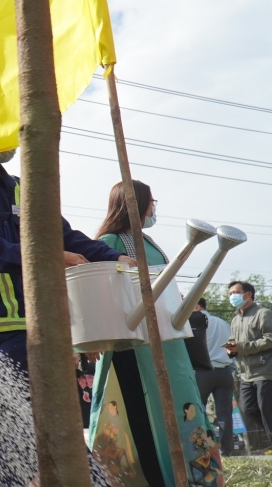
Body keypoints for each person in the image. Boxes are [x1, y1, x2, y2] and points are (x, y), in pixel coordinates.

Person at [88, 179, 222, 486]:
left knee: (180, 411)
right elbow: (99, 294)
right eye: (151, 200)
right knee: (144, 417)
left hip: (168, 344)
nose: (154, 206)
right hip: (133, 348)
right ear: (134, 204)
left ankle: (189, 478)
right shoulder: (110, 242)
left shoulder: (148, 242)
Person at [0, 152, 134, 374]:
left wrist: (115, 256)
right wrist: (52, 259)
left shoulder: (19, 187)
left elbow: (64, 236)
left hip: (36, 321)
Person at [227, 280, 272, 451]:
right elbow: (233, 342)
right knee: (248, 408)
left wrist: (243, 348)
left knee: (266, 410)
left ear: (248, 294)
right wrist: (230, 349)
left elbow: (270, 338)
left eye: (236, 292)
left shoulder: (263, 313)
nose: (232, 296)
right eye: (230, 293)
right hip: (245, 373)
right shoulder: (235, 320)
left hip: (265, 371)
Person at [194, 298, 235, 456]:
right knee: (224, 414)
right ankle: (226, 451)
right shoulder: (222, 322)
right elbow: (232, 346)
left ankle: (201, 449)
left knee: (198, 411)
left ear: (197, 306)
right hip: (224, 371)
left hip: (203, 372)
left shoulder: (193, 322)